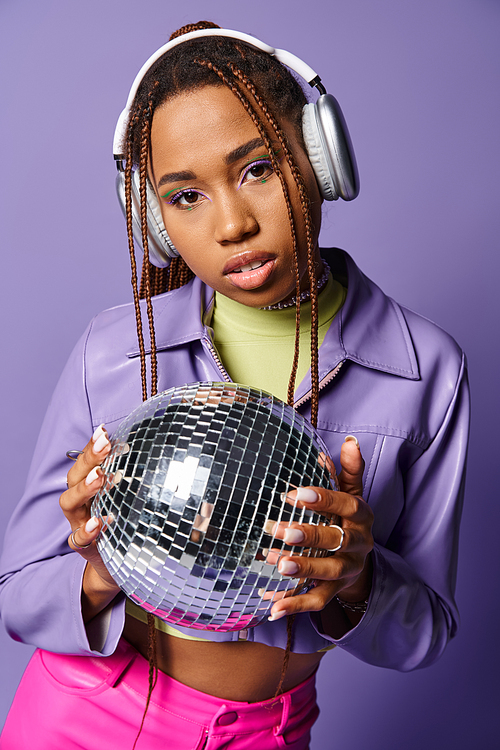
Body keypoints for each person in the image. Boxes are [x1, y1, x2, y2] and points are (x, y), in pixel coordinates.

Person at [0, 21, 469, 750]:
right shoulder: (114, 352)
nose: (232, 223)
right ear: (153, 220)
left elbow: (424, 635)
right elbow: (19, 594)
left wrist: (357, 580)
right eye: (185, 196)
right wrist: (98, 573)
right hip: (82, 716)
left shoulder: (425, 369)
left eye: (258, 169)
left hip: (265, 732)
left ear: (320, 159)